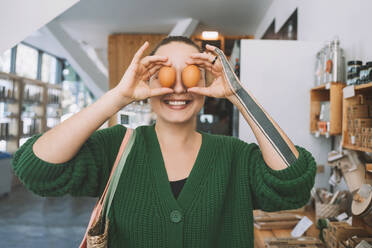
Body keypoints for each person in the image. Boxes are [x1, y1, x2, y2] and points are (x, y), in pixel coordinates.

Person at [12, 36, 316, 247]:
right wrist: (117, 97)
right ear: (148, 81)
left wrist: (239, 94)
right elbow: (37, 170)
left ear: (207, 83)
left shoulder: (234, 156)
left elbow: (294, 183)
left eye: (192, 74)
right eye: (166, 74)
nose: (179, 86)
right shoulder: (117, 147)